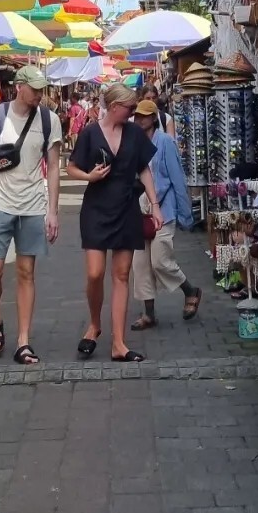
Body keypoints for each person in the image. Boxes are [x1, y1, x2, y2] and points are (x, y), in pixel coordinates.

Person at [0, 63, 61, 366]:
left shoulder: (49, 120)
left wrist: (53, 211)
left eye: (42, 89)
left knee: (25, 272)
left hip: (32, 205)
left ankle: (23, 341)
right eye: (34, 89)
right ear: (19, 87)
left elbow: (54, 167)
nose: (39, 95)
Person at [67, 81, 163, 363]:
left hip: (126, 208)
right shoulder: (90, 133)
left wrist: (155, 205)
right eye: (130, 108)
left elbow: (143, 170)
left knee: (121, 275)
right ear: (114, 106)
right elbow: (71, 167)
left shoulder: (134, 133)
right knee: (94, 273)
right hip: (96, 209)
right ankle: (94, 324)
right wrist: (89, 177)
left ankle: (119, 343)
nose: (133, 113)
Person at [130, 98, 202, 331]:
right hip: (139, 210)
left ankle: (190, 291)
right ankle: (149, 314)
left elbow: (177, 179)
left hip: (164, 209)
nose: (140, 119)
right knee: (140, 265)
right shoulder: (134, 142)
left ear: (153, 118)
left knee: (160, 261)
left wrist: (186, 214)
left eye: (144, 116)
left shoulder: (165, 142)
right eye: (137, 115)